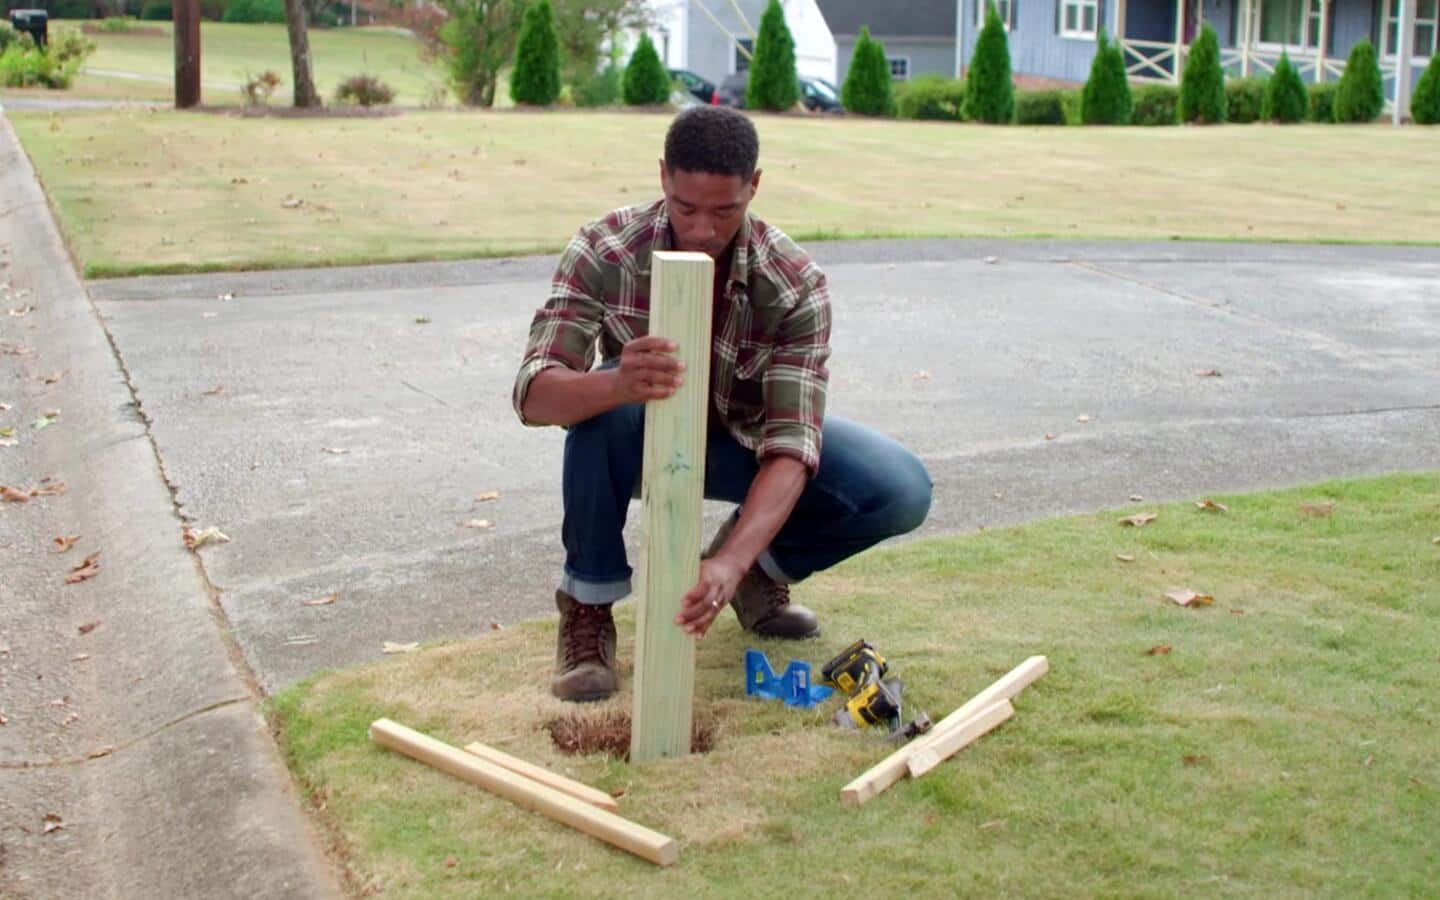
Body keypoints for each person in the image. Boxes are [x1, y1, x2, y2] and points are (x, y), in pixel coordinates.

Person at [512, 106, 932, 702]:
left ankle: (757, 579)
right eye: (686, 208)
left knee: (900, 487)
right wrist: (618, 384)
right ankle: (587, 607)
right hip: (638, 436)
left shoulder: (794, 282)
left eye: (725, 211)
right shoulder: (604, 249)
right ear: (663, 177)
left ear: (754, 186)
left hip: (745, 443)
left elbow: (792, 443)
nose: (704, 230)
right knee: (597, 409)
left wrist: (732, 560)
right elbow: (534, 396)